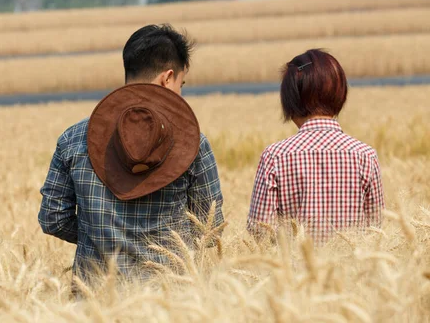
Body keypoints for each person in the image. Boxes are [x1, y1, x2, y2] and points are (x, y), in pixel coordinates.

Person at [38, 24, 224, 281]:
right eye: (182, 83)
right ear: (167, 78)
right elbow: (209, 230)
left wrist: (102, 237)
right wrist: (166, 249)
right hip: (172, 301)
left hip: (95, 300)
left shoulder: (73, 139)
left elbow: (53, 219)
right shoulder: (192, 144)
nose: (181, 92)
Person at [247, 49, 384, 244]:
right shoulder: (365, 156)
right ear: (340, 96)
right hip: (353, 271)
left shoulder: (275, 156)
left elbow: (259, 229)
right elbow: (376, 230)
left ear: (290, 100)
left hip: (292, 273)